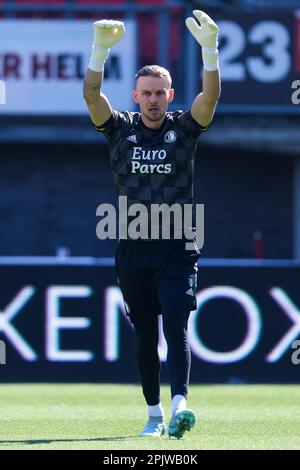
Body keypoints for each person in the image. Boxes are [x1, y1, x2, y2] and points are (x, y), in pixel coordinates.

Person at [83, 11, 220, 439]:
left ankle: (181, 404)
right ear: (136, 95)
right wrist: (99, 53)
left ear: (170, 93)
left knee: (176, 322)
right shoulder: (120, 129)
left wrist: (210, 52)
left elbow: (210, 99)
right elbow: (91, 97)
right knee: (146, 334)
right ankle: (154, 415)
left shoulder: (184, 127)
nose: (155, 99)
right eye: (147, 93)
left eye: (161, 92)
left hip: (178, 244)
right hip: (134, 247)